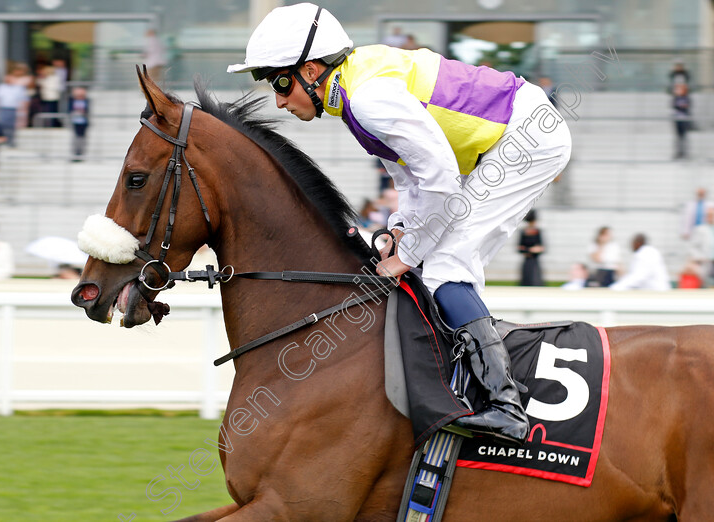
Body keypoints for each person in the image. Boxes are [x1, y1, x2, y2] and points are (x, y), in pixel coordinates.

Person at [229, 3, 572, 445]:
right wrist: (400, 231)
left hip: (526, 137)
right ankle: (469, 381)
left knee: (447, 266)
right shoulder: (355, 93)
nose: (279, 100)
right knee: (437, 266)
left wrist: (405, 255)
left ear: (312, 70)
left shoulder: (368, 98)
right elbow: (411, 178)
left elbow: (442, 179)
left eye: (280, 82)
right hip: (509, 136)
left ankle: (504, 406)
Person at [0, 74, 28, 146]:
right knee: (2, 124)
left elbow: (24, 100)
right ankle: (2, 139)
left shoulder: (18, 88)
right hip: (3, 108)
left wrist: (23, 111)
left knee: (11, 126)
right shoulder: (1, 87)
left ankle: (10, 140)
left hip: (13, 109)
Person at [688, 206, 714, 286]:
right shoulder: (700, 229)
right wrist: (700, 258)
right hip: (706, 262)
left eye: (712, 215)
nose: (710, 217)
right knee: (706, 284)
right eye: (708, 215)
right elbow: (692, 247)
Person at [517, 209, 544, 286]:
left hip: (534, 260)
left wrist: (528, 250)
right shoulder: (524, 232)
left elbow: (541, 248)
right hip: (527, 260)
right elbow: (520, 247)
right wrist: (531, 250)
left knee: (535, 280)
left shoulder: (537, 231)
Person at [69, 86, 90, 160]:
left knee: (82, 138)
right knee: (76, 138)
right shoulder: (72, 101)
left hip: (83, 121)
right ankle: (76, 153)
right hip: (75, 121)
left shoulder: (86, 101)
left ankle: (81, 153)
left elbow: (87, 111)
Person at [672, 83, 691, 160]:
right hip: (677, 120)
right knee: (678, 137)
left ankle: (684, 152)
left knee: (684, 137)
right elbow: (675, 106)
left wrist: (681, 107)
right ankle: (678, 152)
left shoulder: (687, 98)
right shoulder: (676, 98)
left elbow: (686, 107)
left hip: (684, 119)